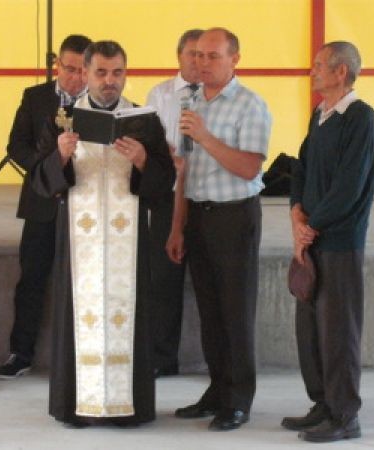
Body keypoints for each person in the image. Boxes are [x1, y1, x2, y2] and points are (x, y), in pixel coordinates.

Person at [30, 40, 174, 427]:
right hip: (80, 241)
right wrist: (60, 155)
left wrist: (143, 160)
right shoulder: (62, 118)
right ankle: (75, 405)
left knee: (129, 315)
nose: (110, 81)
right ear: (85, 73)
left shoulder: (144, 120)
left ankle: (128, 407)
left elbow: (164, 181)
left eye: (117, 73)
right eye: (101, 73)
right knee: (80, 316)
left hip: (128, 241)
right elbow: (39, 181)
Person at [166, 27, 272, 431]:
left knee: (235, 312)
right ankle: (217, 391)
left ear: (234, 59)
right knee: (210, 312)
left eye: (213, 56)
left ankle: (239, 399)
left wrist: (205, 137)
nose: (203, 63)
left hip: (234, 217)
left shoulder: (250, 105)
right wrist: (177, 227)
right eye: (198, 55)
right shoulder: (192, 102)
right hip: (198, 216)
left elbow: (249, 167)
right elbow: (184, 172)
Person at [283, 41, 374, 443]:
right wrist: (296, 212)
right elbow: (301, 168)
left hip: (339, 241)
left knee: (338, 333)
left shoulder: (360, 117)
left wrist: (311, 225)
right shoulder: (319, 115)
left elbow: (349, 186)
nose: (313, 71)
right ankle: (322, 404)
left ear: (341, 71)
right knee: (311, 331)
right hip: (313, 236)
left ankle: (344, 415)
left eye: (320, 65)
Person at [0, 34, 91, 379]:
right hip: (42, 201)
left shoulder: (102, 102)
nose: (76, 77)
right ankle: (20, 353)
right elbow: (16, 146)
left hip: (86, 206)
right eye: (69, 69)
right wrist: (48, 166)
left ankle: (85, 354)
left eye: (82, 70)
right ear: (57, 65)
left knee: (85, 283)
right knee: (32, 278)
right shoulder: (35, 97)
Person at [145, 28, 203, 377]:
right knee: (163, 279)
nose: (197, 61)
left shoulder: (218, 94)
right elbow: (150, 141)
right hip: (169, 195)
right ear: (178, 56)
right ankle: (162, 357)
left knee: (211, 280)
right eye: (191, 53)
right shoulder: (160, 94)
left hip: (207, 195)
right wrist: (168, 157)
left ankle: (220, 360)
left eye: (203, 54)